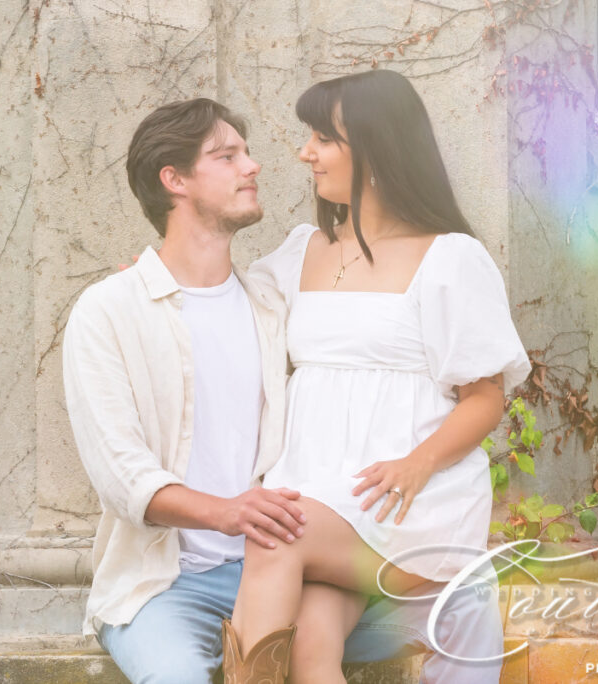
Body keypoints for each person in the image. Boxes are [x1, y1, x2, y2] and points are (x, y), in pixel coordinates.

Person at [63, 96, 501, 684]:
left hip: (288, 551)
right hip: (169, 579)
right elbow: (122, 476)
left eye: (248, 152)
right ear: (175, 180)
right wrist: (227, 513)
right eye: (228, 156)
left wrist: (417, 466)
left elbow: (475, 385)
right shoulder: (114, 310)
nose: (260, 164)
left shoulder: (267, 298)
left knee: (451, 606)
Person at [224, 70, 532, 683]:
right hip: (317, 490)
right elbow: (225, 305)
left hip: (400, 503)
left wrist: (415, 464)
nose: (303, 152)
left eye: (322, 138)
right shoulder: (301, 251)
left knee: (274, 536)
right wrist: (160, 277)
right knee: (312, 648)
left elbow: (485, 396)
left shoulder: (449, 258)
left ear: (375, 148)